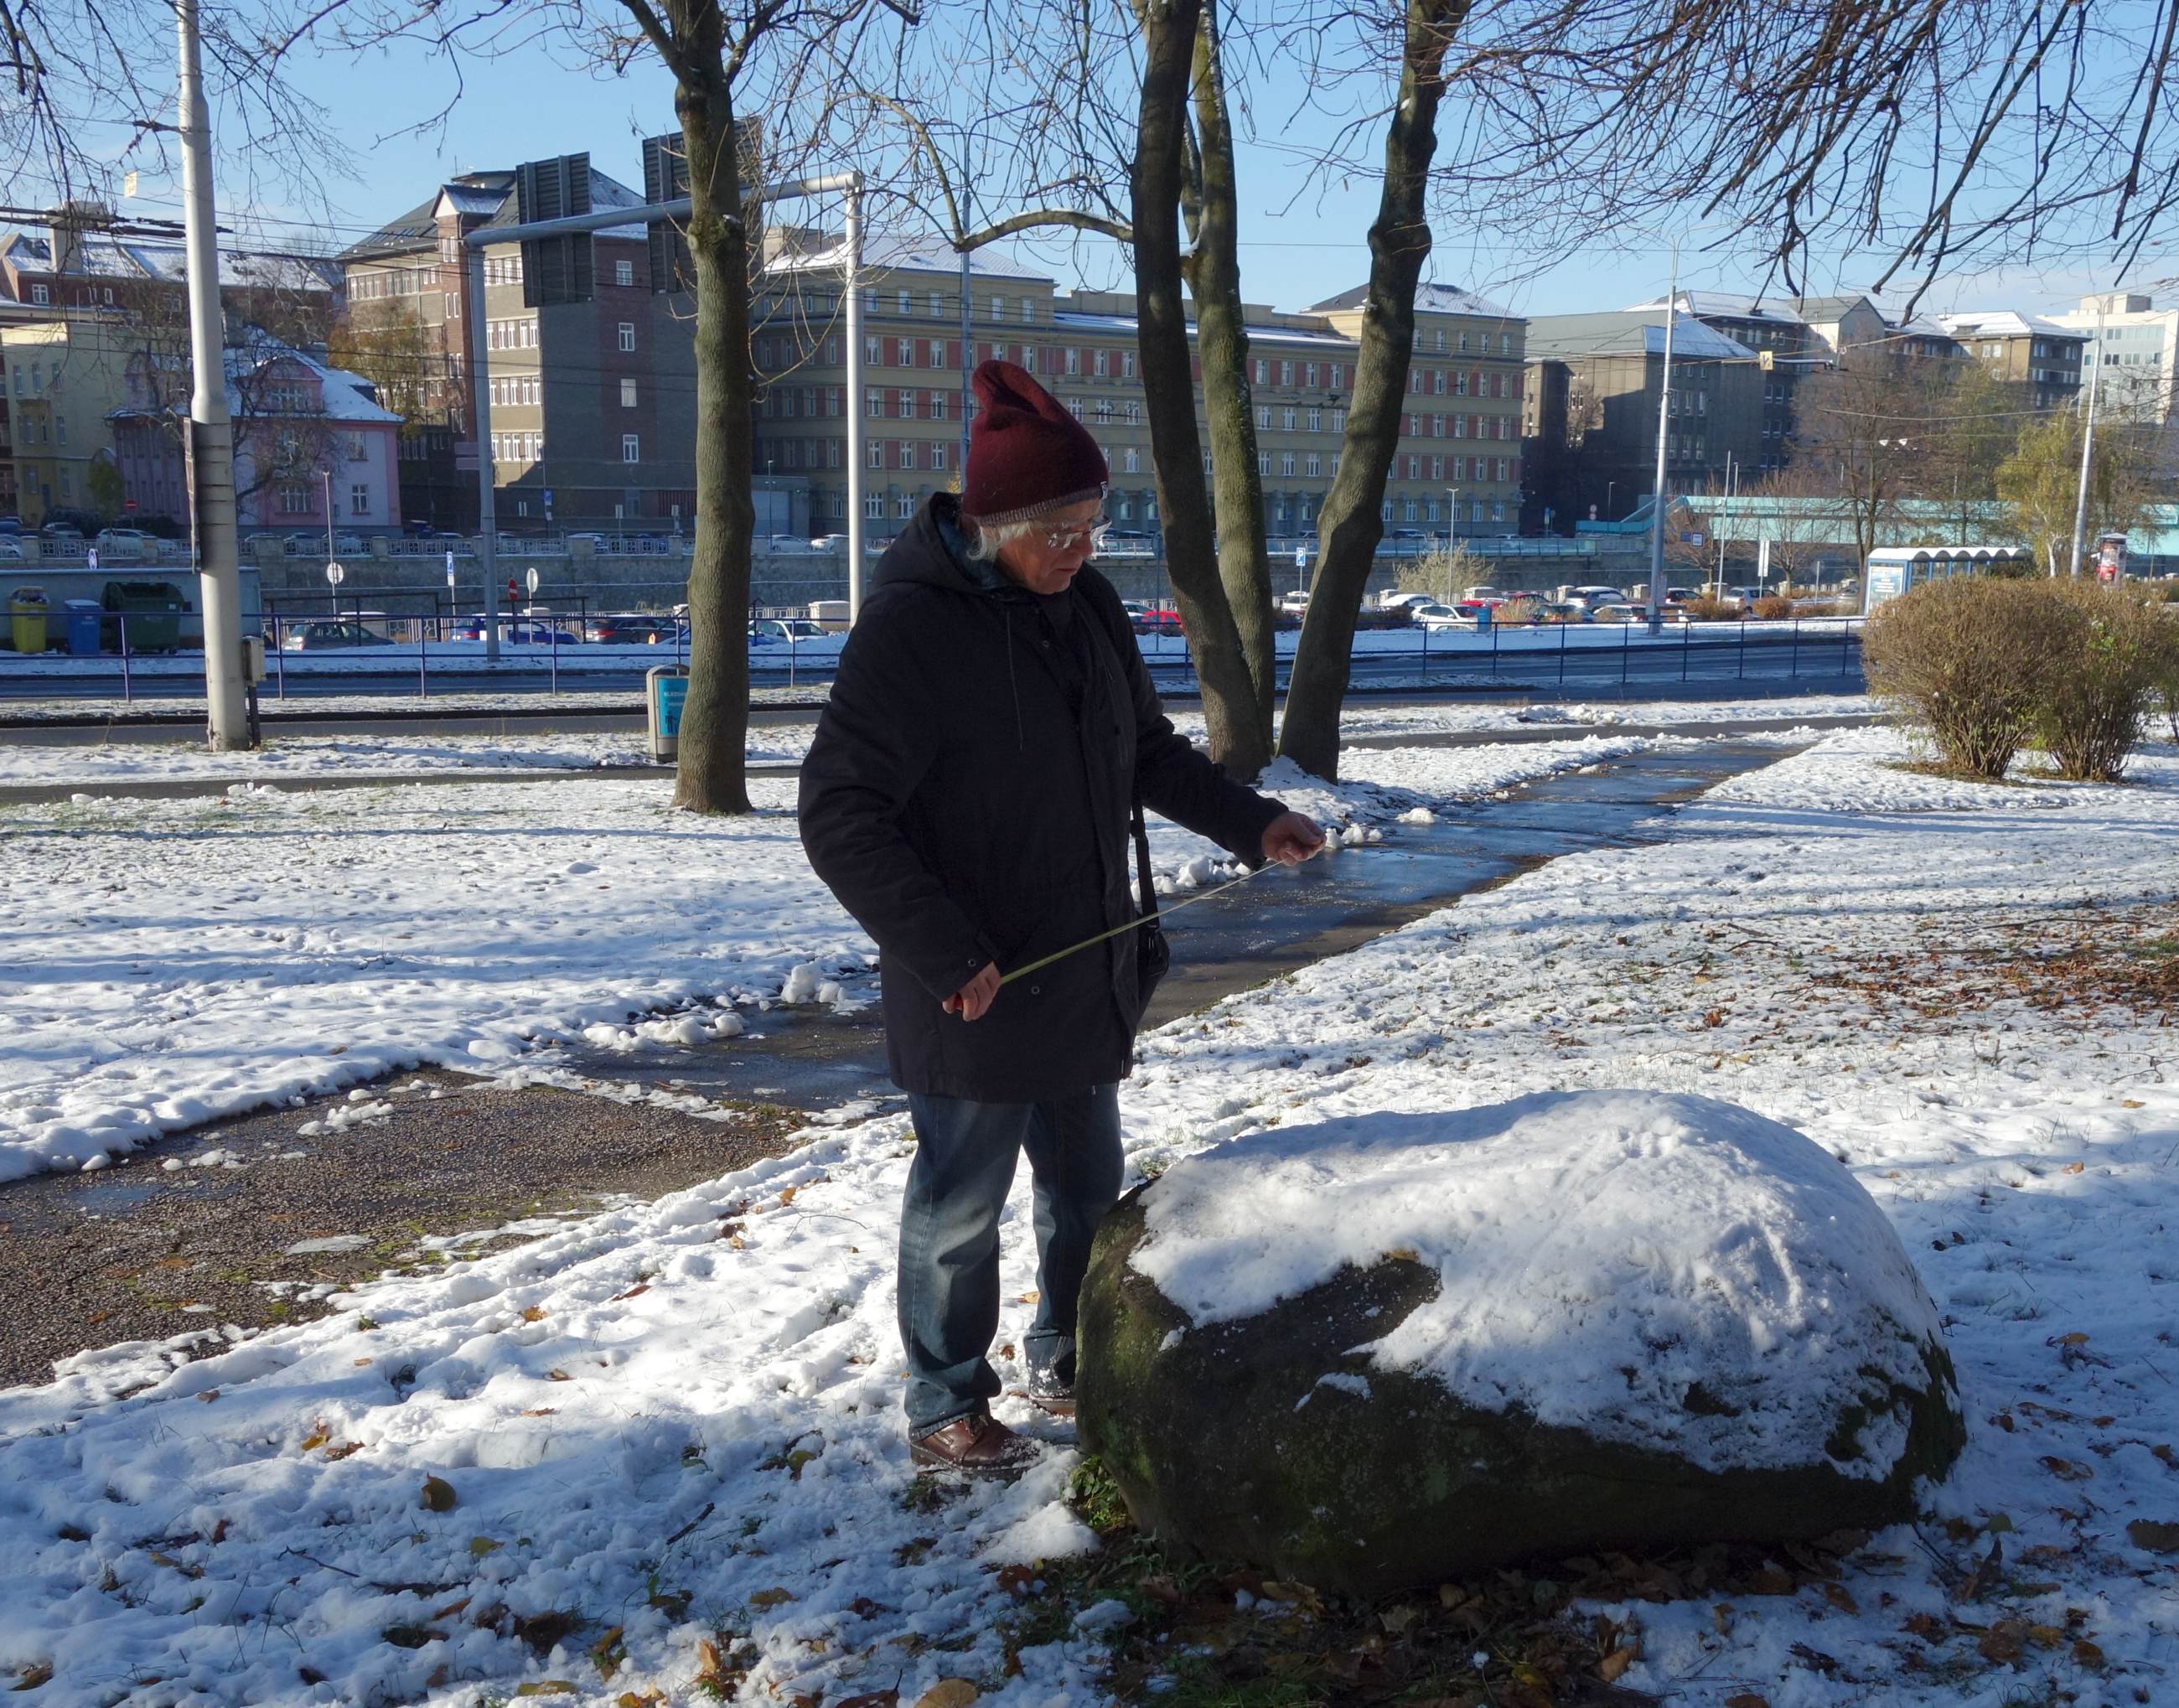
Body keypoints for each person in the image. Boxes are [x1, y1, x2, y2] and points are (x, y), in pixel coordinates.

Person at [799, 360, 1323, 1476]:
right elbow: (838, 812)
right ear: (998, 526)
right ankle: (945, 1402)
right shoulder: (909, 634)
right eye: (1066, 531)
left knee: (1085, 1189)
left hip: (1085, 969)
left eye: (1094, 525)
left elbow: (1144, 752)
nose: (1087, 550)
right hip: (974, 989)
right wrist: (943, 949)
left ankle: (1076, 1357)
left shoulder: (1083, 607)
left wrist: (1250, 820)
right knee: (958, 1210)